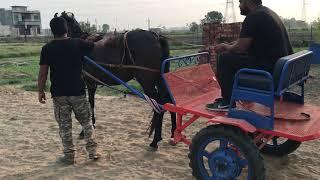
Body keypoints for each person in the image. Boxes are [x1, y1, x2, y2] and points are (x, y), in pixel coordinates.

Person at [206, 0, 293, 111]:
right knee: (231, 55)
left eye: (240, 2)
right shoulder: (268, 13)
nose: (239, 5)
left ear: (247, 2)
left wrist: (224, 47)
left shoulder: (253, 17)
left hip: (268, 72)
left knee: (224, 59)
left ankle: (227, 102)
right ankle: (235, 95)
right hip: (278, 68)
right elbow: (245, 42)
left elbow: (241, 47)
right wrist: (229, 45)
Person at [38, 17, 99, 165]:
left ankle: (69, 156)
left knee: (64, 126)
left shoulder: (47, 49)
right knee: (86, 123)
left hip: (59, 94)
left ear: (52, 31)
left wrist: (40, 91)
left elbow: (43, 73)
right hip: (77, 91)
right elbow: (94, 46)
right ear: (67, 29)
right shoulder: (78, 43)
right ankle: (92, 153)